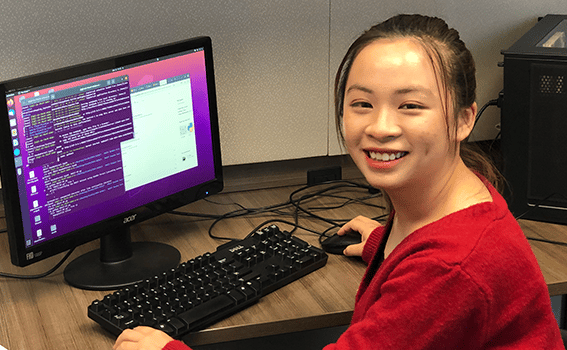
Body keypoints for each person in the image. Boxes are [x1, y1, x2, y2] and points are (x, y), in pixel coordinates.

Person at [113, 14, 564, 350]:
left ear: (465, 118)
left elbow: (443, 279)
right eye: (362, 103)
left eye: (410, 106)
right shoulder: (453, 198)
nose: (380, 127)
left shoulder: (450, 268)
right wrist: (387, 246)